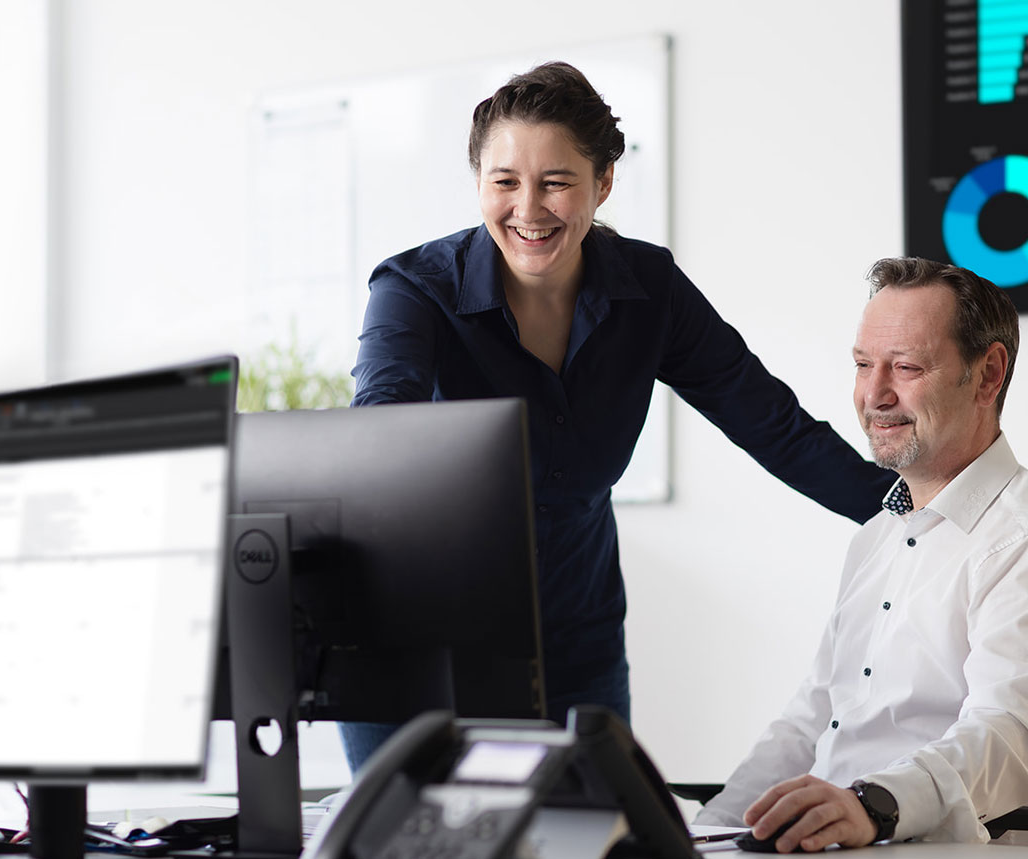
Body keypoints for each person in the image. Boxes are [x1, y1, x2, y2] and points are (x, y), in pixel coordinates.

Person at [343, 62, 896, 770]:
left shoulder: (648, 289)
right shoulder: (415, 291)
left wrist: (911, 517)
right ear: (478, 181)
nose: (528, 209)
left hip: (575, 633)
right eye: (505, 181)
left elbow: (770, 422)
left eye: (556, 181)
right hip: (420, 633)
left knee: (590, 834)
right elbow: (377, 433)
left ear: (603, 182)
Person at [693, 257, 1028, 848]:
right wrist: (703, 830)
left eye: (908, 367)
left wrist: (874, 806)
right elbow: (813, 718)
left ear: (988, 374)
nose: (874, 395)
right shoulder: (878, 536)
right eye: (864, 365)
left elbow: (1012, 737)